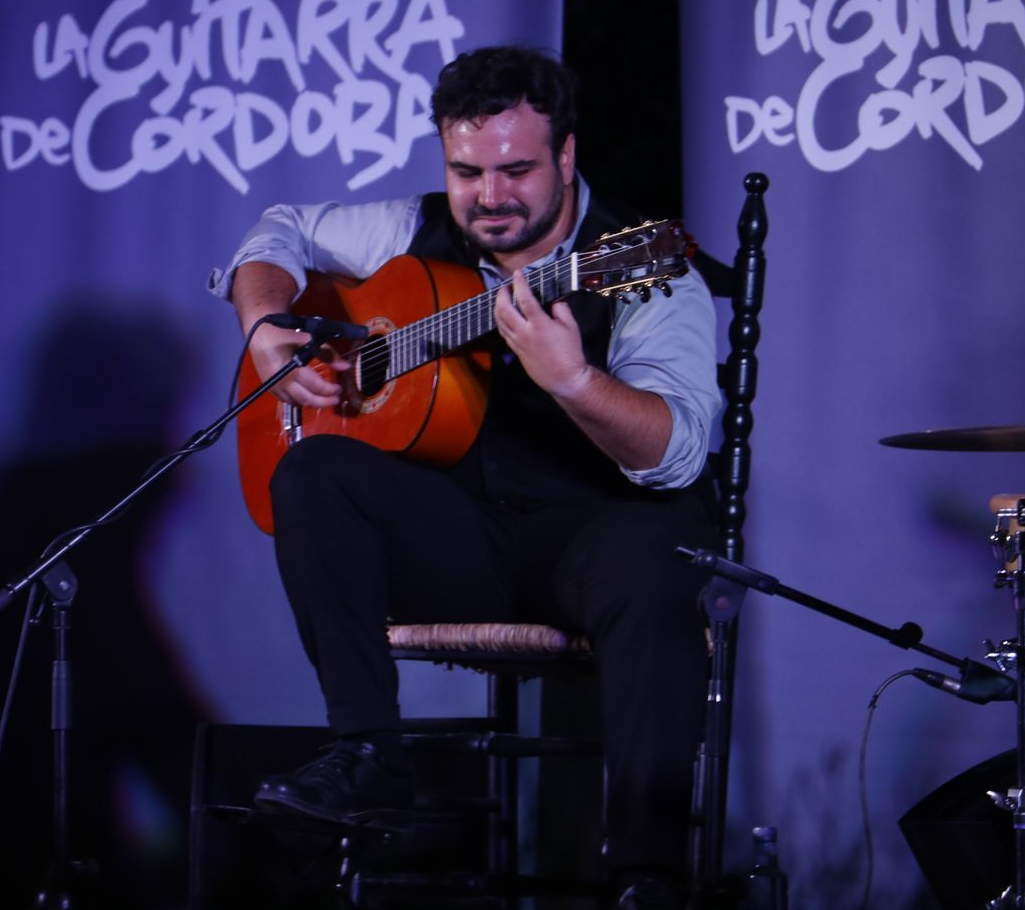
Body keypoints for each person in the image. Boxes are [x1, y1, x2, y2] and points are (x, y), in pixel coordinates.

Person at [208, 45, 721, 901]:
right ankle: (368, 751)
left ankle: (646, 872)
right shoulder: (409, 228)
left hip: (588, 542)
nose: (489, 196)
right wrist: (268, 330)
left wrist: (573, 381)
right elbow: (279, 232)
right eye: (466, 170)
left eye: (517, 169)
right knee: (309, 470)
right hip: (458, 542)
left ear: (565, 156)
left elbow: (673, 455)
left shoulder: (640, 267)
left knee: (659, 554)